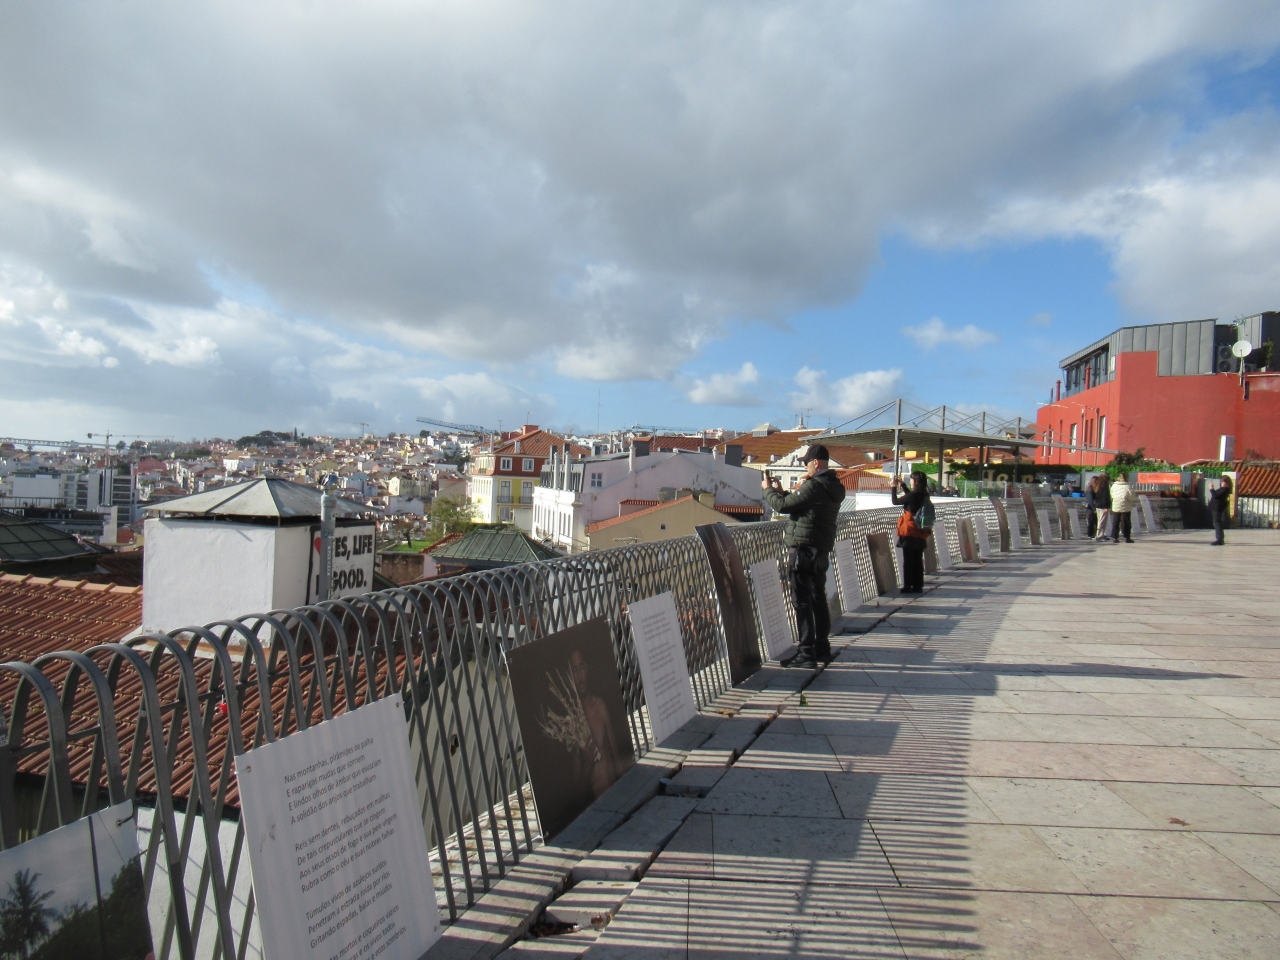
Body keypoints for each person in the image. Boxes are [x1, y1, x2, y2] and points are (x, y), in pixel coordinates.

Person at [762, 444, 846, 668]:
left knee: (801, 600)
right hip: (821, 548)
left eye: (807, 463)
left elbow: (782, 506)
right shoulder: (833, 486)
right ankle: (822, 648)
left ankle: (806, 653)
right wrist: (784, 492)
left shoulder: (814, 485)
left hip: (804, 549)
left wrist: (768, 490)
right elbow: (802, 504)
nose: (806, 467)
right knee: (818, 597)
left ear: (815, 463)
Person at [892, 471, 933, 593]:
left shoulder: (913, 495)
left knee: (908, 560)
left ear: (916, 481)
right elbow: (911, 497)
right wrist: (903, 485)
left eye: (911, 479)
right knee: (918, 559)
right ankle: (918, 585)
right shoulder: (924, 494)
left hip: (909, 530)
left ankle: (907, 586)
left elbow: (895, 501)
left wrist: (893, 487)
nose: (910, 481)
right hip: (921, 530)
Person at [1109, 474, 1135, 543]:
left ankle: (1115, 537)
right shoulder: (1128, 486)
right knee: (1127, 521)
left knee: (1116, 521)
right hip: (1126, 506)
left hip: (1116, 505)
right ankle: (1127, 537)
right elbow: (1131, 496)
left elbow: (1112, 494)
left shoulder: (1114, 486)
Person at [1086, 474, 1111, 541]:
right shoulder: (1105, 487)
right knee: (1102, 522)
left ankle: (1100, 534)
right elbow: (1105, 497)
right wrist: (1106, 506)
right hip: (1103, 506)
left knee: (1100, 521)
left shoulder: (1098, 486)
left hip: (1098, 506)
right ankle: (1100, 536)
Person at [1209, 475, 1232, 546]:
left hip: (1217, 508)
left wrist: (1211, 489)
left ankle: (1219, 539)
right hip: (1216, 507)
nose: (1221, 483)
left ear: (1226, 482)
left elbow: (1215, 495)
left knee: (1217, 523)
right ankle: (1220, 538)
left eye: (1222, 481)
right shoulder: (1223, 489)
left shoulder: (1225, 489)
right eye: (1221, 481)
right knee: (1217, 522)